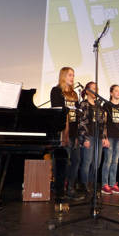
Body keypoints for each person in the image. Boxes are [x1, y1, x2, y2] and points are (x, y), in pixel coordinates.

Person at [50, 67, 82, 200]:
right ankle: (60, 190)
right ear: (63, 76)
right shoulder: (56, 91)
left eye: (73, 75)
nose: (72, 78)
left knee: (76, 161)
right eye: (69, 75)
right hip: (64, 132)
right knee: (64, 163)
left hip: (75, 133)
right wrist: (65, 134)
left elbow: (78, 114)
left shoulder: (74, 94)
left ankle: (70, 189)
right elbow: (59, 113)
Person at [78, 82, 107, 196]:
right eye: (93, 88)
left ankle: (92, 184)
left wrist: (104, 137)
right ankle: (84, 185)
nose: (96, 90)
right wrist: (84, 138)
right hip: (89, 136)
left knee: (97, 163)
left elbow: (103, 123)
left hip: (98, 137)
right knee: (87, 162)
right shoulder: (84, 104)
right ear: (88, 91)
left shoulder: (99, 105)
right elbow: (81, 122)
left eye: (97, 88)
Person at [101, 85, 119, 195]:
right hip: (110, 137)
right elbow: (103, 122)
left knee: (115, 162)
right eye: (116, 91)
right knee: (107, 161)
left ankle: (112, 184)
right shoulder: (106, 105)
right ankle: (104, 185)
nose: (118, 92)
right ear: (111, 93)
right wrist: (104, 137)